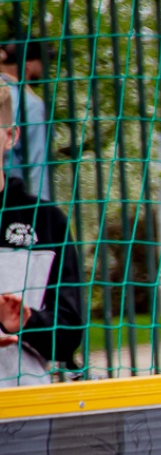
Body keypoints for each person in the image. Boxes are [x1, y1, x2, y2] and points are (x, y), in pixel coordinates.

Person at [0, 80, 83, 384]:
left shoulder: (47, 222)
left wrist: (27, 321)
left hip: (25, 397)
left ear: (11, 136)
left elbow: (69, 333)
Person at [0, 40, 51, 202]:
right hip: (12, 203)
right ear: (27, 66)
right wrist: (41, 209)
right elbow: (37, 165)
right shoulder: (30, 104)